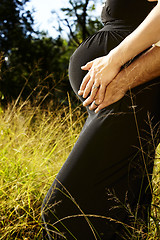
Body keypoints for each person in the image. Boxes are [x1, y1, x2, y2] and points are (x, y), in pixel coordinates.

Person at [41, 1, 160, 239]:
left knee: (62, 211)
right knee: (121, 216)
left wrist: (118, 66)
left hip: (133, 92)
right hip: (126, 98)